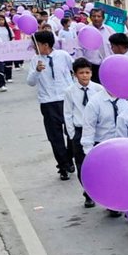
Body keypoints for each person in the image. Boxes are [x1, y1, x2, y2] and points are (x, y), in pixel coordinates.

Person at [26, 31, 75, 180]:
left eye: (36, 44)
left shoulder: (63, 55)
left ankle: (68, 157)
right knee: (55, 137)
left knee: (72, 133)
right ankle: (63, 166)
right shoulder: (35, 60)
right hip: (48, 102)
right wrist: (37, 71)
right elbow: (30, 82)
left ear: (45, 45)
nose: (34, 47)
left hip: (65, 100)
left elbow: (73, 71)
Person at [64, 57, 103, 208]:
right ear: (75, 74)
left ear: (92, 73)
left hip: (96, 130)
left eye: (87, 72)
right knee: (82, 164)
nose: (85, 76)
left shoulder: (98, 89)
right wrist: (72, 133)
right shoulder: (69, 91)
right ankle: (88, 193)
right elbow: (67, 113)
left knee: (99, 163)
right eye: (81, 73)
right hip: (79, 130)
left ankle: (102, 191)